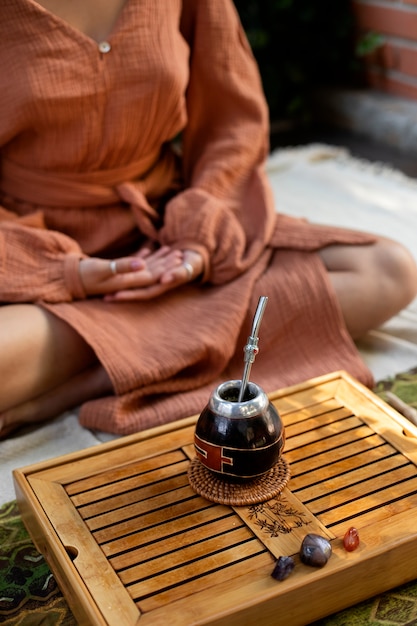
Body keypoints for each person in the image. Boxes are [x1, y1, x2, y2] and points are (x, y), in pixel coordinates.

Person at [1, 0, 416, 438]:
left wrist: (198, 236)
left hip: (167, 231)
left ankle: (102, 372)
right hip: (30, 253)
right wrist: (69, 274)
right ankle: (158, 352)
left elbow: (231, 125)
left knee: (387, 270)